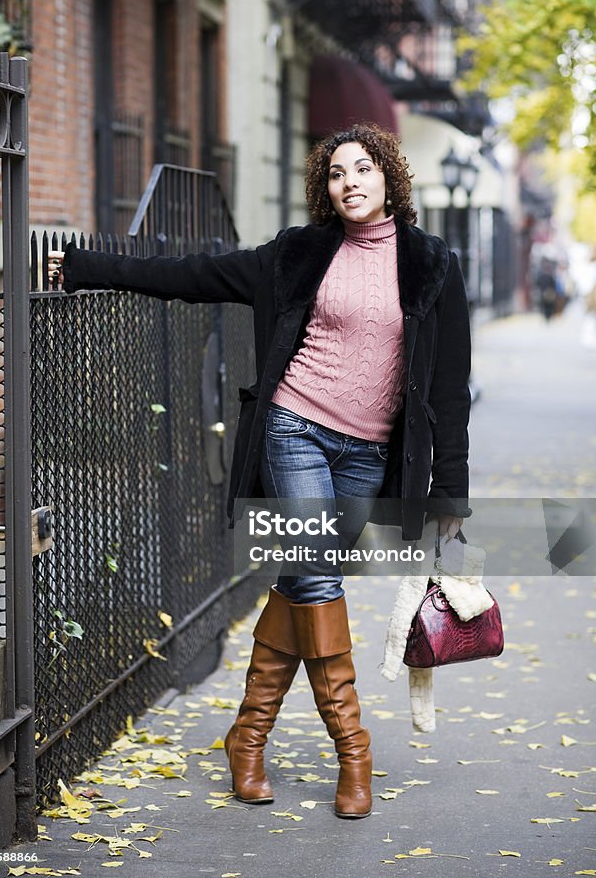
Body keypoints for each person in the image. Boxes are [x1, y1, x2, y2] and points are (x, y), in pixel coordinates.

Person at [48, 122, 471, 820]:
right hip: (294, 428)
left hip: (368, 453)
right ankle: (353, 753)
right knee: (317, 575)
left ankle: (246, 740)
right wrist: (88, 265)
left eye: (362, 168)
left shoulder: (431, 264)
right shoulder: (298, 256)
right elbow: (195, 275)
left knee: (297, 584)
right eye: (336, 173)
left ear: (389, 177)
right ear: (324, 188)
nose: (350, 182)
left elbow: (450, 386)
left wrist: (448, 491)